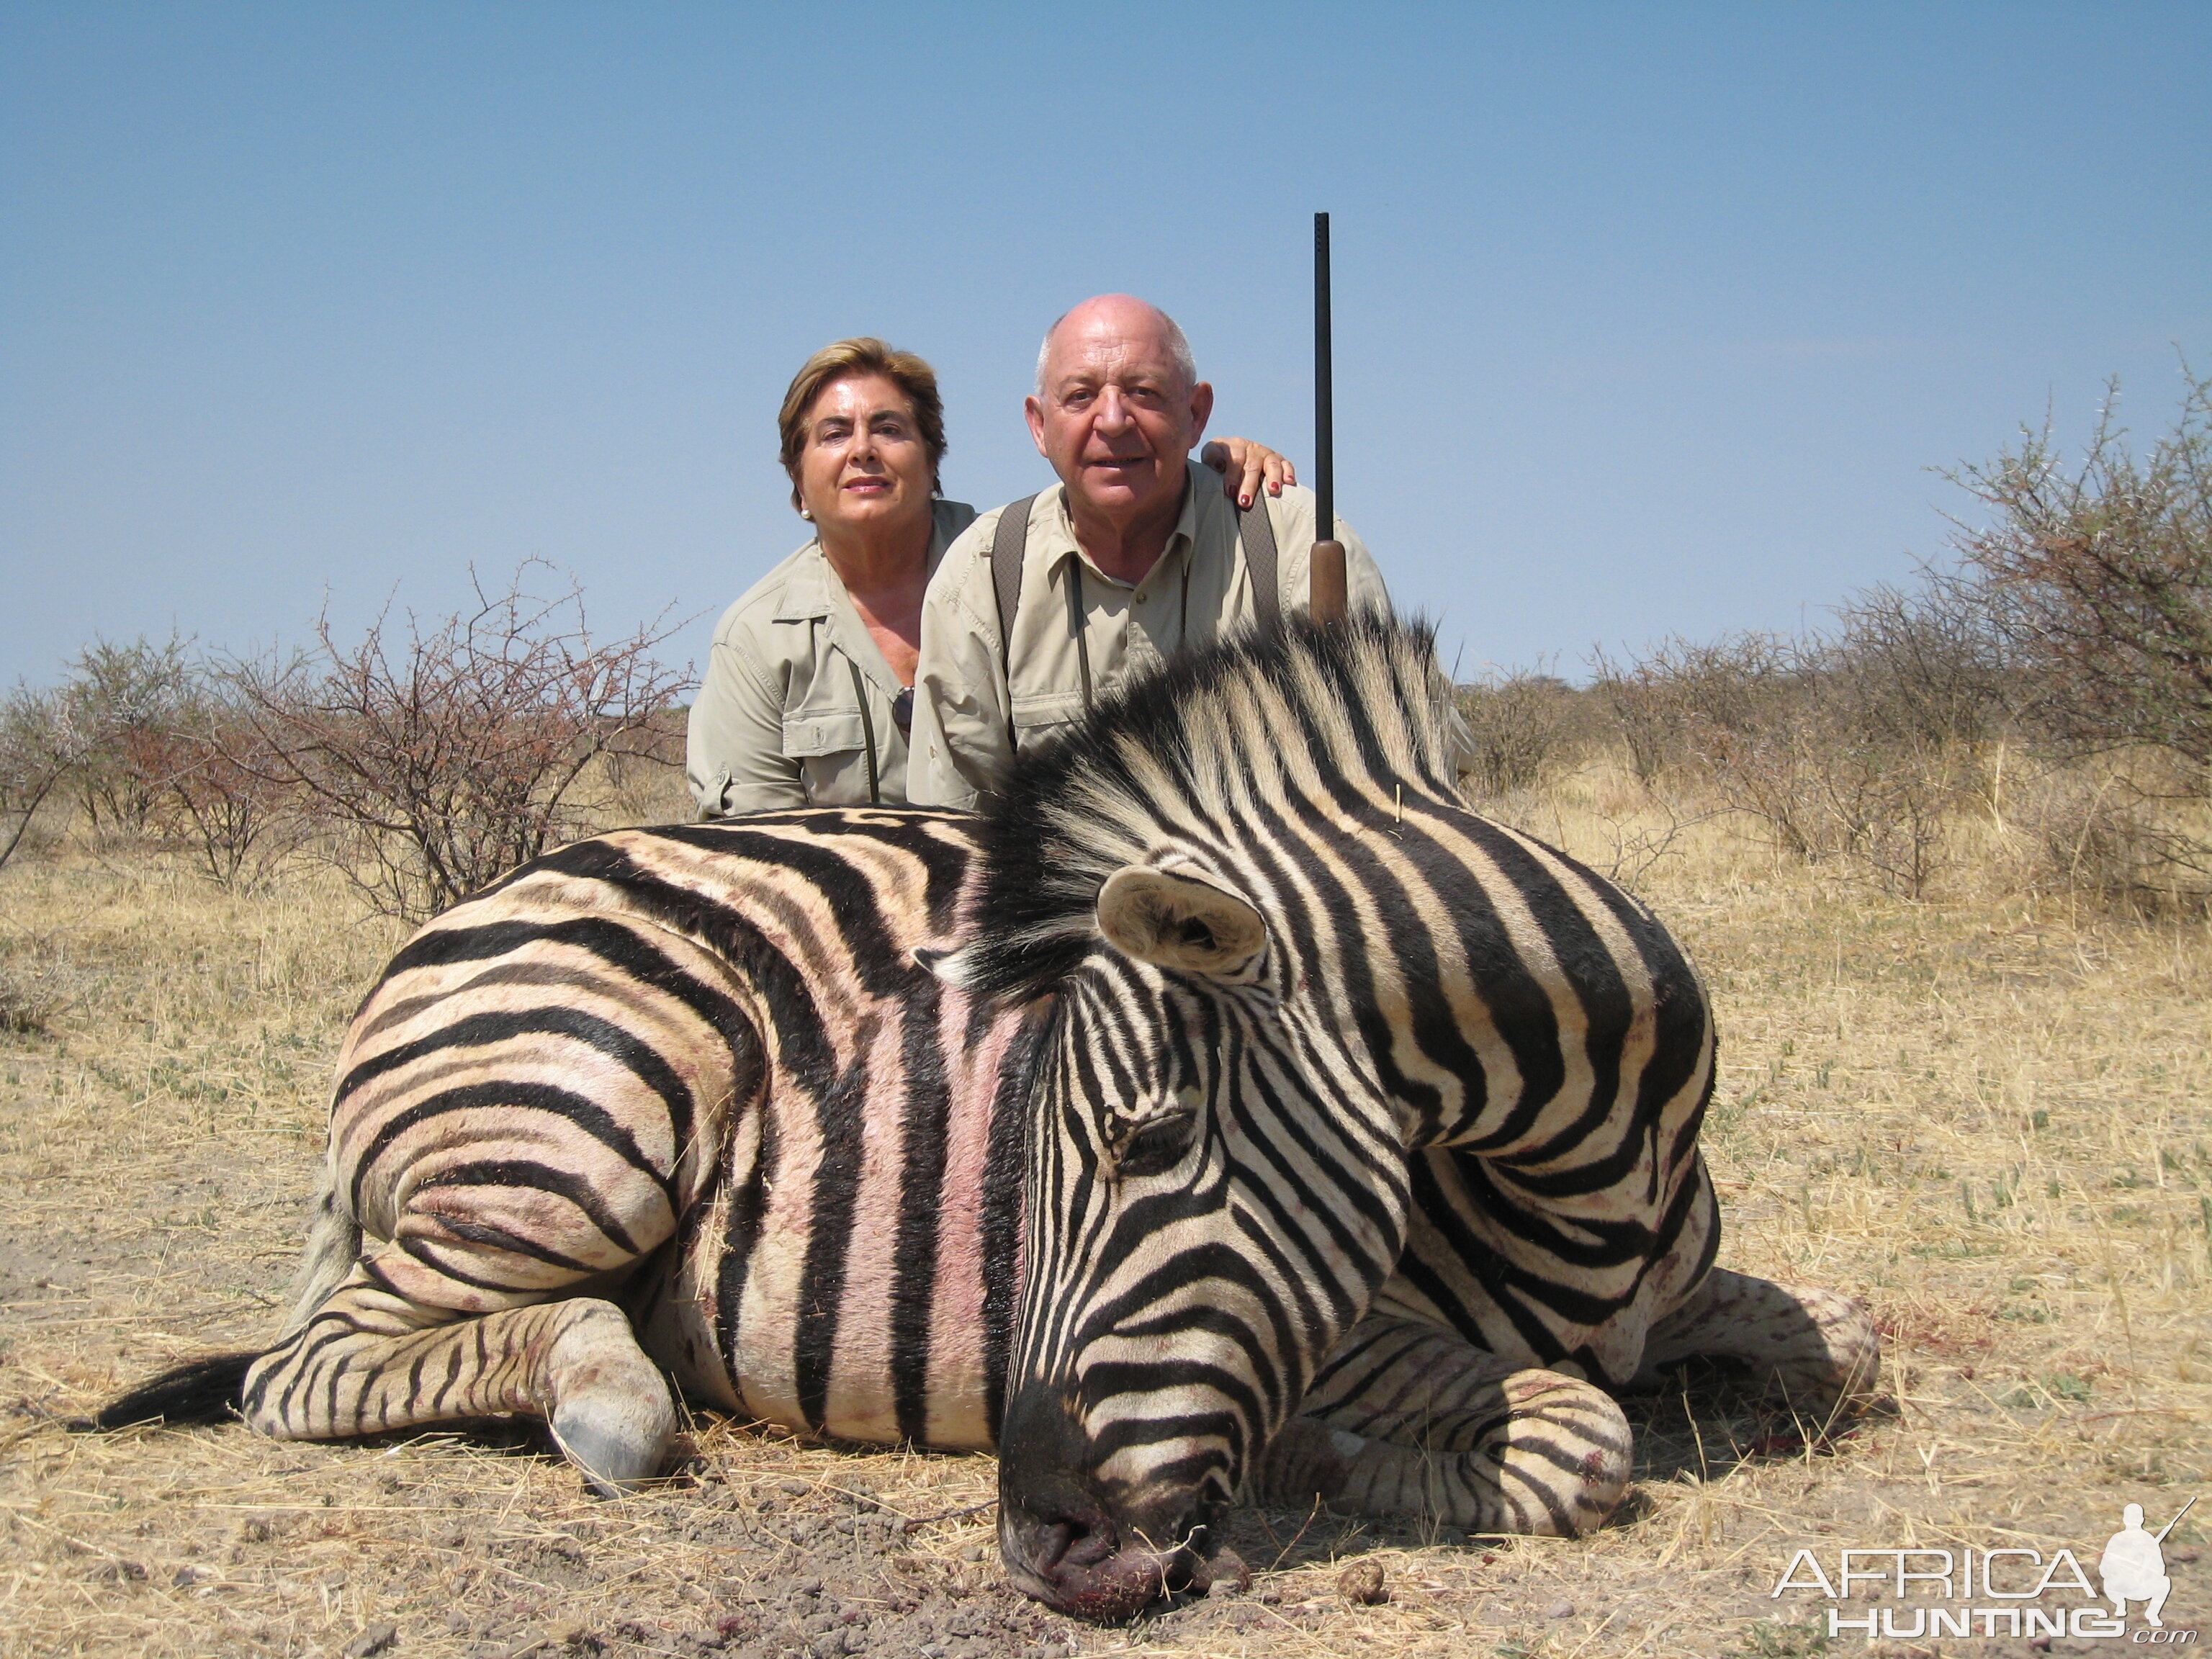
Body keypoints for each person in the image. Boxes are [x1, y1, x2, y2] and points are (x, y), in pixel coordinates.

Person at [687, 336, 1295, 815]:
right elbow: (758, 854)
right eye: (834, 434)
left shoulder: (1001, 570)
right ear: (797, 481)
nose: (863, 450)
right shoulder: (755, 639)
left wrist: (1209, 467)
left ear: (933, 459)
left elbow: (1114, 496)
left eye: (891, 429)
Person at [907, 295, 1388, 809]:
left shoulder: (1297, 543)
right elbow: (953, 819)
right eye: (1079, 396)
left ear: (1196, 412)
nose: (1113, 420)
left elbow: (1403, 782)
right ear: (1039, 425)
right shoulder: (982, 573)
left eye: (1145, 392)